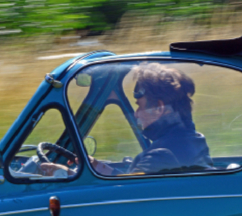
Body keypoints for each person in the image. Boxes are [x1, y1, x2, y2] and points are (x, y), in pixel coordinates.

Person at [41, 62, 212, 177]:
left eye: (140, 106)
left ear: (159, 108)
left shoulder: (161, 157)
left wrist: (65, 173)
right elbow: (131, 182)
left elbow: (123, 194)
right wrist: (99, 168)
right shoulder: (194, 140)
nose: (136, 114)